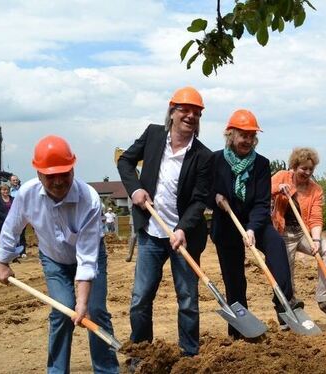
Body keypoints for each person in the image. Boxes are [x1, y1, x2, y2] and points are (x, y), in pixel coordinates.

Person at [0, 135, 119, 373]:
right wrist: (2, 262)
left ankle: (106, 370)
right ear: (39, 174)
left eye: (65, 173)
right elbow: (11, 228)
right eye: (51, 176)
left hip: (90, 257)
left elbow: (87, 257)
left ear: (73, 168)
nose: (59, 181)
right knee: (62, 310)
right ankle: (57, 370)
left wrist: (83, 303)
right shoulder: (27, 195)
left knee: (95, 311)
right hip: (53, 260)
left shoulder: (88, 198)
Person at [117, 86, 212, 360]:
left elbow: (198, 200)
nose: (190, 116)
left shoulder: (203, 156)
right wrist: (135, 189)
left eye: (196, 113)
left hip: (184, 238)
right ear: (172, 111)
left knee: (188, 301)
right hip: (150, 233)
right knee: (140, 299)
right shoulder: (153, 135)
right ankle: (141, 354)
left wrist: (182, 228)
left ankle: (190, 356)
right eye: (185, 110)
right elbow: (125, 161)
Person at [210, 109, 301, 335]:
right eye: (243, 135)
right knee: (235, 279)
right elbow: (204, 190)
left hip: (255, 223)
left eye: (252, 136)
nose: (248, 141)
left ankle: (284, 304)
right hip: (226, 223)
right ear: (230, 135)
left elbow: (262, 202)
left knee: (276, 246)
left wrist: (252, 228)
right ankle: (239, 329)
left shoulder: (261, 164)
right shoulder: (215, 160)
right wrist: (215, 198)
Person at [271, 147, 326, 315]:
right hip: (283, 234)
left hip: (303, 233)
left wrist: (316, 241)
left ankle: (324, 296)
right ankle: (289, 305)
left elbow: (315, 218)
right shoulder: (281, 176)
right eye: (303, 168)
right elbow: (263, 189)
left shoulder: (315, 189)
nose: (307, 172)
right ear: (294, 166)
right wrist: (279, 187)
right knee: (286, 272)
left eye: (311, 169)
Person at [8, 175, 28, 256]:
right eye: (13, 180)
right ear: (10, 181)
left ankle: (23, 252)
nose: (15, 181)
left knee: (22, 234)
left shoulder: (22, 189)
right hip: (11, 214)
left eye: (16, 180)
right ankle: (14, 251)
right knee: (13, 234)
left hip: (22, 214)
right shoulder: (8, 191)